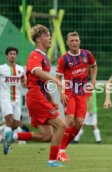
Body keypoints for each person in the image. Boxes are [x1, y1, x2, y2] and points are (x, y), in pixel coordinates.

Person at [4, 24, 65, 167]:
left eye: (50, 35)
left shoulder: (45, 58)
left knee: (46, 136)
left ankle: (12, 136)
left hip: (41, 97)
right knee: (61, 126)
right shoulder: (35, 55)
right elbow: (37, 72)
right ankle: (52, 161)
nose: (50, 38)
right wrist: (55, 80)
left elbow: (43, 81)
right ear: (38, 39)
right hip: (36, 97)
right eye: (47, 35)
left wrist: (50, 100)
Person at [56, 31, 97, 162]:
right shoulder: (64, 59)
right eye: (71, 40)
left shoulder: (87, 54)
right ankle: (61, 151)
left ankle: (61, 149)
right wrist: (61, 92)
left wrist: (93, 80)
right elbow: (57, 77)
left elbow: (94, 66)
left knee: (79, 123)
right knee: (69, 121)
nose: (74, 42)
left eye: (76, 40)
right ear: (67, 43)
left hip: (82, 93)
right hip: (69, 93)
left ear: (79, 42)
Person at [0, 47, 26, 152]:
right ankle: (7, 145)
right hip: (5, 98)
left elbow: (24, 82)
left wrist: (31, 85)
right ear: (6, 56)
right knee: (9, 119)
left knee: (15, 125)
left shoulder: (20, 69)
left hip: (17, 99)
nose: (12, 55)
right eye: (10, 53)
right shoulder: (1, 68)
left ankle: (4, 135)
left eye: (14, 54)